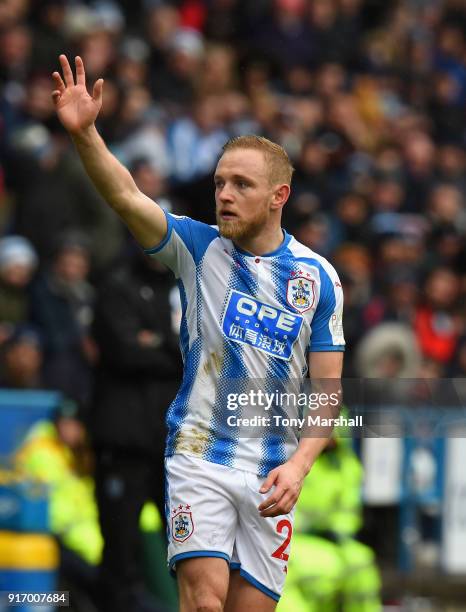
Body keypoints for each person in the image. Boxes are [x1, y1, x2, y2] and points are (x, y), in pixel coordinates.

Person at [51, 55, 345, 611]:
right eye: (219, 183)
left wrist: (300, 465)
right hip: (198, 454)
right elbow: (127, 197)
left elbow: (327, 390)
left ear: (278, 196)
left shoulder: (317, 279)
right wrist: (87, 133)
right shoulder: (198, 247)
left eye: (241, 184)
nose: (224, 194)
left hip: (271, 470)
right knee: (204, 604)